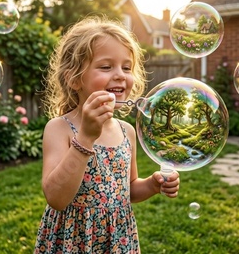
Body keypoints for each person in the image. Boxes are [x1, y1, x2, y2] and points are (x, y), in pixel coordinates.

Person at [34, 16, 180, 253]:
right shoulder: (59, 128)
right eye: (105, 66)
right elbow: (56, 198)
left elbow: (128, 189)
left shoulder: (127, 131)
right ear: (74, 79)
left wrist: (153, 185)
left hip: (117, 238)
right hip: (73, 239)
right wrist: (85, 137)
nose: (120, 75)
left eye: (126, 67)